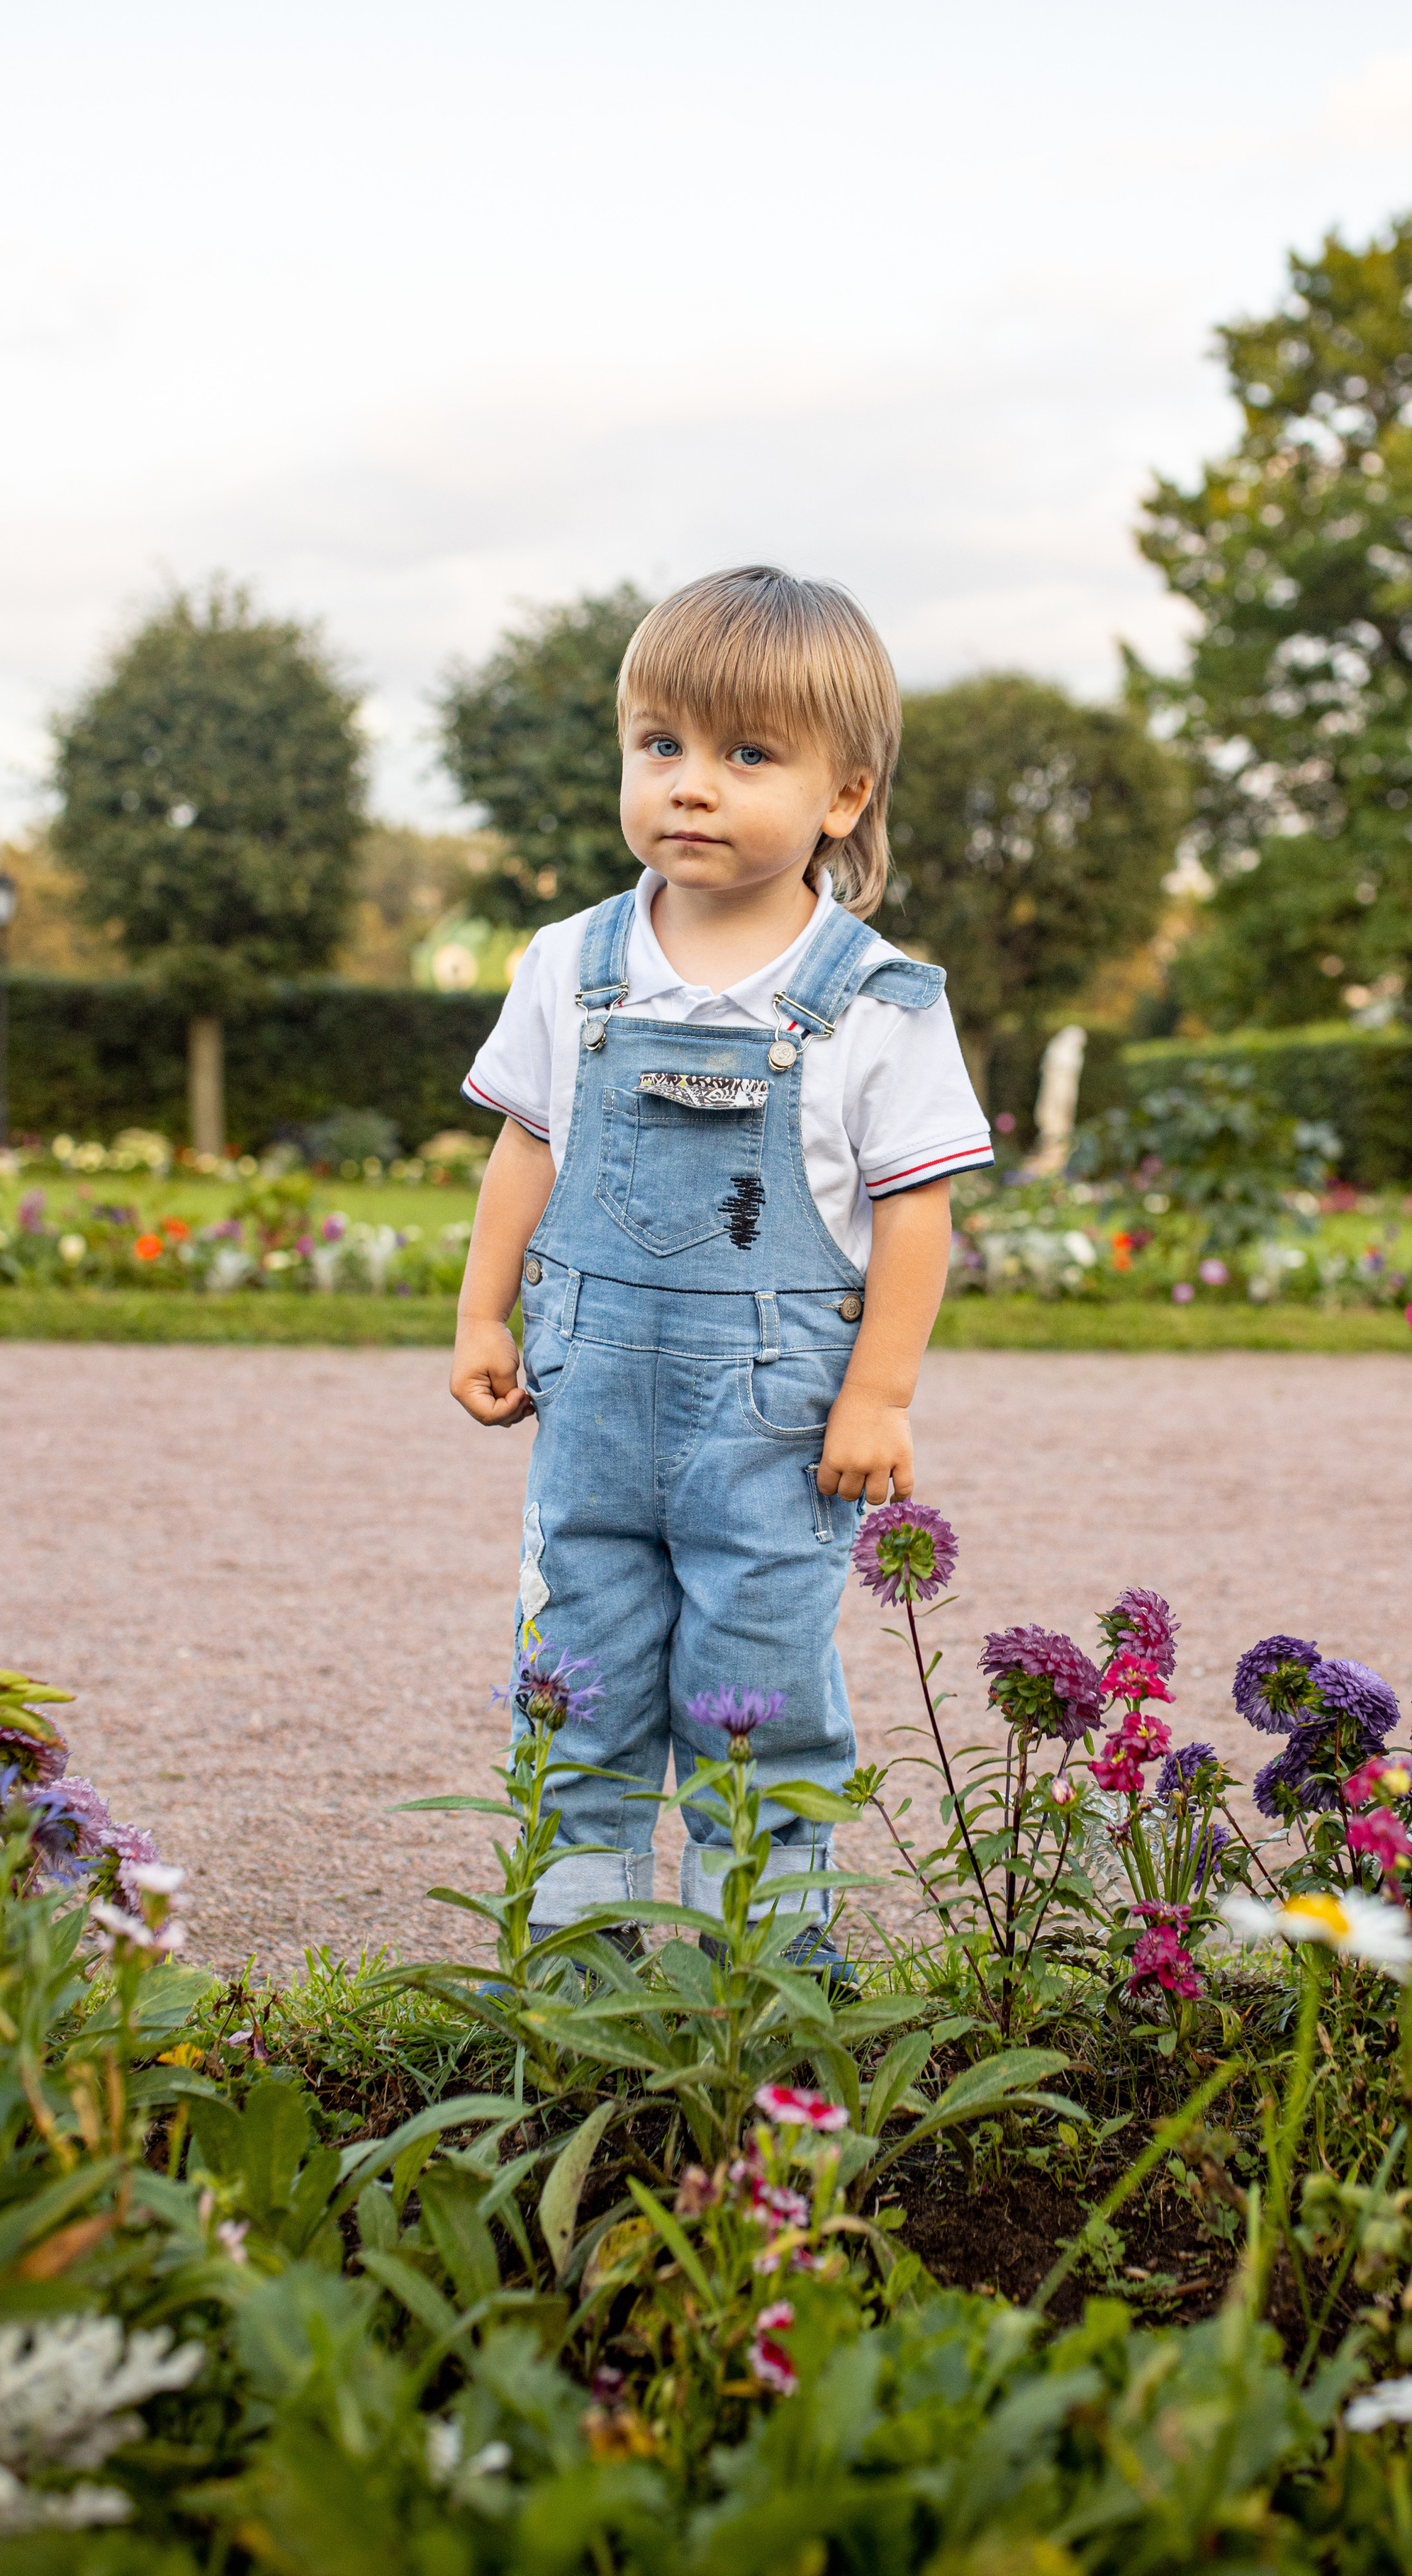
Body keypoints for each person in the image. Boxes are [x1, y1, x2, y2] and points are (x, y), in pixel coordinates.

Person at [449, 566, 992, 1972]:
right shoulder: (572, 965)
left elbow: (917, 1210)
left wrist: (878, 1394)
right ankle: (580, 1963)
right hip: (590, 1416)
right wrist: (478, 1312)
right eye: (660, 744)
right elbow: (524, 1148)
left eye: (746, 754)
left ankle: (768, 1967)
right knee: (579, 1667)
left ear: (842, 796)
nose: (690, 784)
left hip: (775, 1430)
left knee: (755, 1679)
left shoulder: (874, 1001)